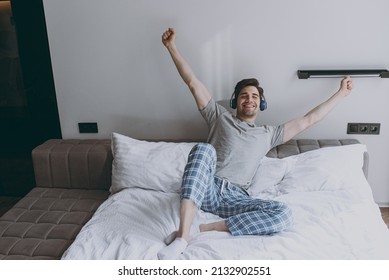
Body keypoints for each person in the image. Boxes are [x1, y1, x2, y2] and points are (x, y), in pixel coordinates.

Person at [157, 27, 353, 260]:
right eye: (244, 95)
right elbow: (193, 83)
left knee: (283, 214)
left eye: (254, 96)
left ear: (261, 104)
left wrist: (341, 93)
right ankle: (182, 236)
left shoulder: (268, 134)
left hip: (236, 197)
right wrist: (172, 47)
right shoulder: (219, 117)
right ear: (235, 101)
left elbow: (309, 119)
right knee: (203, 149)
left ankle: (203, 229)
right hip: (207, 186)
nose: (249, 99)